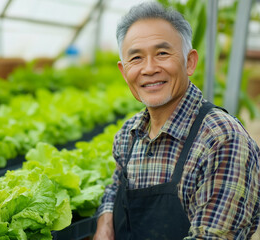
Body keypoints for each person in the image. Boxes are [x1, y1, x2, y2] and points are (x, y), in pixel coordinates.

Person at [94, 1, 260, 240]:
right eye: (136, 58)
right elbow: (115, 188)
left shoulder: (221, 139)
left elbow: (213, 237)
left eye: (162, 53)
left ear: (190, 62)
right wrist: (105, 222)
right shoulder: (129, 134)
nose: (149, 68)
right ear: (124, 71)